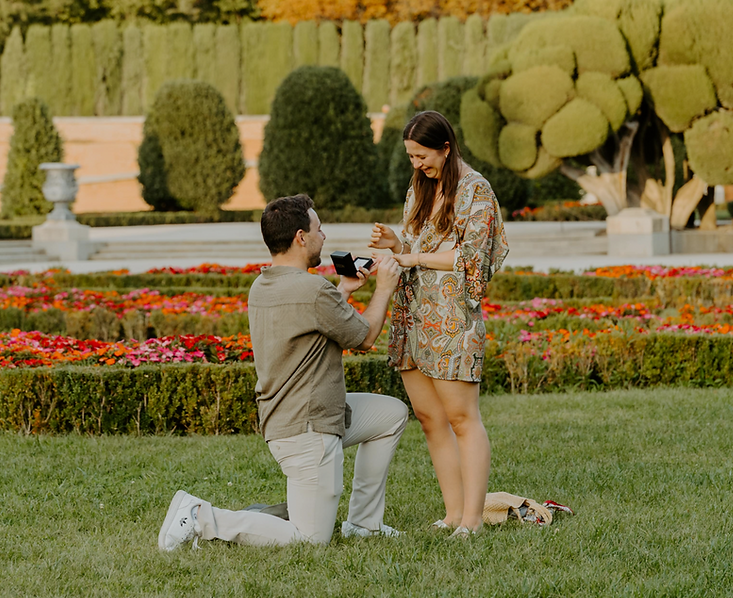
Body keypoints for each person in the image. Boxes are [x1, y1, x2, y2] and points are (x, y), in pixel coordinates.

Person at [159, 194, 407, 550]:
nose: (324, 236)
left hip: (300, 415)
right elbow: (364, 337)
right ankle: (199, 515)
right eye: (319, 229)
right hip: (307, 429)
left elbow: (315, 321)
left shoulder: (264, 285)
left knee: (391, 415)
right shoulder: (312, 291)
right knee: (310, 539)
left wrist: (344, 292)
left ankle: (364, 524)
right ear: (301, 237)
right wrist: (384, 289)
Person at [369, 110, 509, 538]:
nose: (416, 164)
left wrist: (412, 257)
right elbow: (417, 244)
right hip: (412, 318)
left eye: (422, 155)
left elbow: (472, 257)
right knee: (430, 418)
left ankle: (472, 521)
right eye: (410, 156)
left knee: (463, 419)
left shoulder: (476, 192)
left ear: (446, 147)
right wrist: (396, 244)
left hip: (452, 322)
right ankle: (452, 513)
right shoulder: (421, 188)